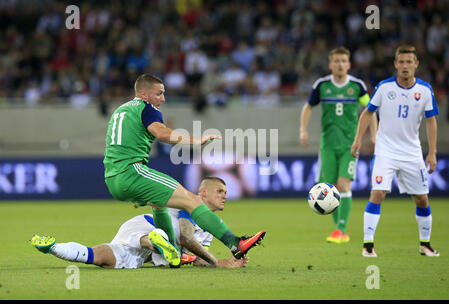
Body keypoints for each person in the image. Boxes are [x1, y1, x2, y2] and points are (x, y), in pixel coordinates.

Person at [103, 74, 265, 266]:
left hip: (112, 177)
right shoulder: (147, 108)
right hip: (132, 171)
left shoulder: (120, 111)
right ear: (144, 94)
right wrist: (196, 141)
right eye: (159, 94)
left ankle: (170, 253)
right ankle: (235, 243)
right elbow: (161, 133)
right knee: (193, 200)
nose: (163, 99)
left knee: (159, 204)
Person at [30, 177, 249, 269]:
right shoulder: (192, 205)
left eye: (226, 192)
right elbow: (186, 237)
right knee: (168, 237)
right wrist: (218, 263)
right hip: (152, 225)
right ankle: (157, 240)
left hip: (140, 236)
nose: (224, 196)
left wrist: (218, 261)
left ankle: (53, 247)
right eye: (220, 191)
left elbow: (198, 259)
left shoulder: (209, 226)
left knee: (102, 258)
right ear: (203, 193)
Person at [351, 45, 439, 257]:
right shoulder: (384, 87)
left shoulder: (425, 90)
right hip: (385, 151)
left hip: (411, 152)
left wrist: (432, 151)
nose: (405, 66)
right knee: (377, 193)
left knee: (422, 199)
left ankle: (425, 244)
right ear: (395, 64)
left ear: (416, 64)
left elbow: (431, 121)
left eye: (409, 62)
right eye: (401, 62)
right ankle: (368, 245)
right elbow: (367, 113)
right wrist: (357, 140)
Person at [299, 47, 377, 244]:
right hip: (327, 145)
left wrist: (374, 135)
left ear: (349, 64)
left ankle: (341, 230)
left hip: (350, 145)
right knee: (330, 187)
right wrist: (303, 129)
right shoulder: (322, 85)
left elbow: (370, 110)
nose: (340, 64)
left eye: (343, 61)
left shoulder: (357, 86)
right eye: (336, 61)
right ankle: (339, 230)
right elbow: (308, 107)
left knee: (344, 184)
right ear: (330, 64)